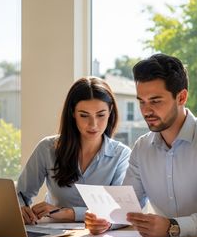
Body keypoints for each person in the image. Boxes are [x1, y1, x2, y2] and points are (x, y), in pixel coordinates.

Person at [85, 54, 197, 237]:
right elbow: (127, 210)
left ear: (181, 97)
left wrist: (173, 227)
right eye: (141, 101)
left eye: (155, 101)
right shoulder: (142, 148)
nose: (146, 111)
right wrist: (106, 221)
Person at [17, 76, 131, 225]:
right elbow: (21, 194)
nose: (93, 125)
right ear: (72, 113)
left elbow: (119, 210)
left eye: (101, 115)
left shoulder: (122, 155)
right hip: (51, 234)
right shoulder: (47, 148)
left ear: (110, 112)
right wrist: (21, 208)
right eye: (84, 115)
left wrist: (67, 213)